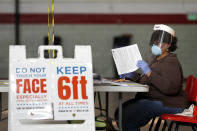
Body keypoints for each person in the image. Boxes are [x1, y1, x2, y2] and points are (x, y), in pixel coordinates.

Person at [115, 24, 189, 131]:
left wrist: (149, 72)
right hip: (157, 99)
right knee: (121, 111)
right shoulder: (157, 60)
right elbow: (147, 79)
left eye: (161, 41)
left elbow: (171, 88)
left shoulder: (170, 61)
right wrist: (133, 76)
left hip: (171, 103)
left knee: (127, 115)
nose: (157, 44)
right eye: (155, 41)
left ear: (169, 45)